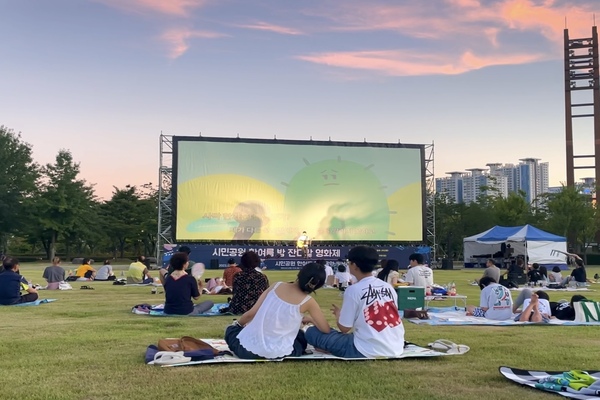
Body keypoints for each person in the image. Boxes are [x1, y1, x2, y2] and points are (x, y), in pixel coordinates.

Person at [305, 246, 404, 358]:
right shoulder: (388, 287)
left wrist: (339, 315)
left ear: (354, 265)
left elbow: (344, 328)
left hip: (364, 349)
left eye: (349, 262)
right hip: (395, 347)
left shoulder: (354, 290)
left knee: (312, 332)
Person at [224, 262, 330, 359]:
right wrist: (311, 319)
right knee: (300, 336)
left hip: (247, 351)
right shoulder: (309, 301)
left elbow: (251, 314)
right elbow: (325, 329)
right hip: (281, 351)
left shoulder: (276, 286)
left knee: (231, 330)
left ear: (300, 274)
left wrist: (236, 325)